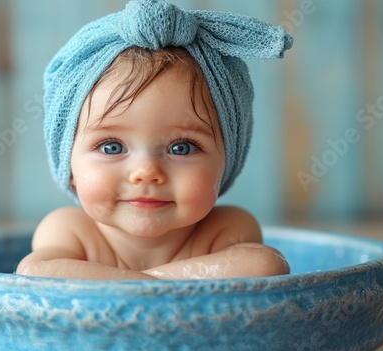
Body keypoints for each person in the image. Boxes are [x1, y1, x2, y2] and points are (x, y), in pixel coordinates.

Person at [16, 0, 292, 280]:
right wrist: (156, 285)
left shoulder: (226, 228)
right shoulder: (70, 230)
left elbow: (265, 265)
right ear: (70, 165)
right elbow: (35, 271)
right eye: (112, 147)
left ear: (227, 162)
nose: (146, 172)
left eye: (181, 148)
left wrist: (148, 284)